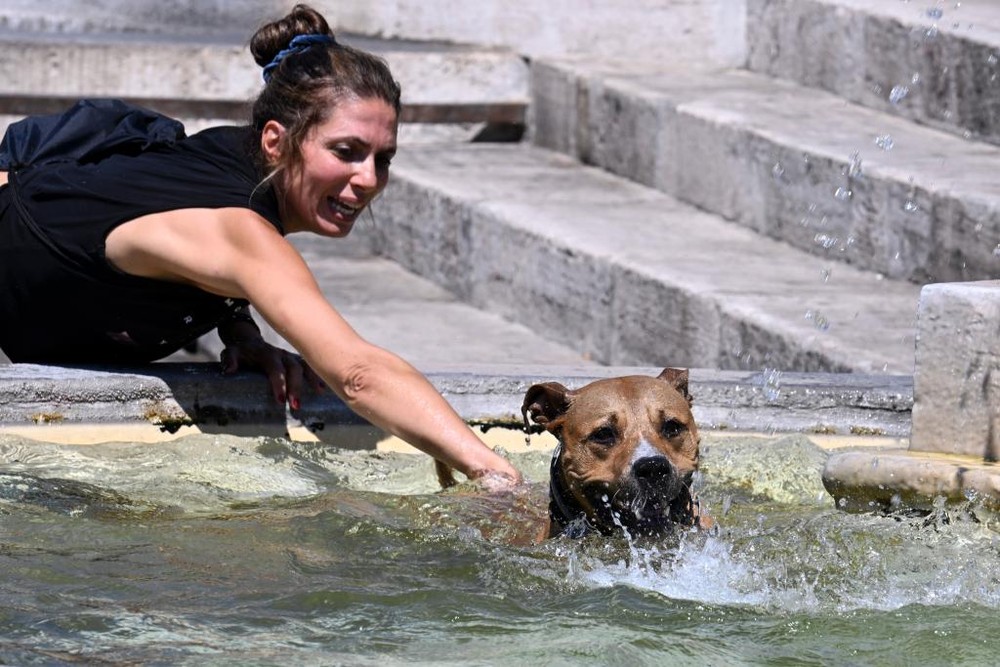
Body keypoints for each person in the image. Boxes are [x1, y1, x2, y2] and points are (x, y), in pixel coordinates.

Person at [0, 4, 521, 489]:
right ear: (275, 141)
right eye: (346, 151)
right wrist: (493, 473)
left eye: (382, 159)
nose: (367, 179)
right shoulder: (243, 229)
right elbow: (358, 376)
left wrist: (238, 327)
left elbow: (178, 246)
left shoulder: (237, 163)